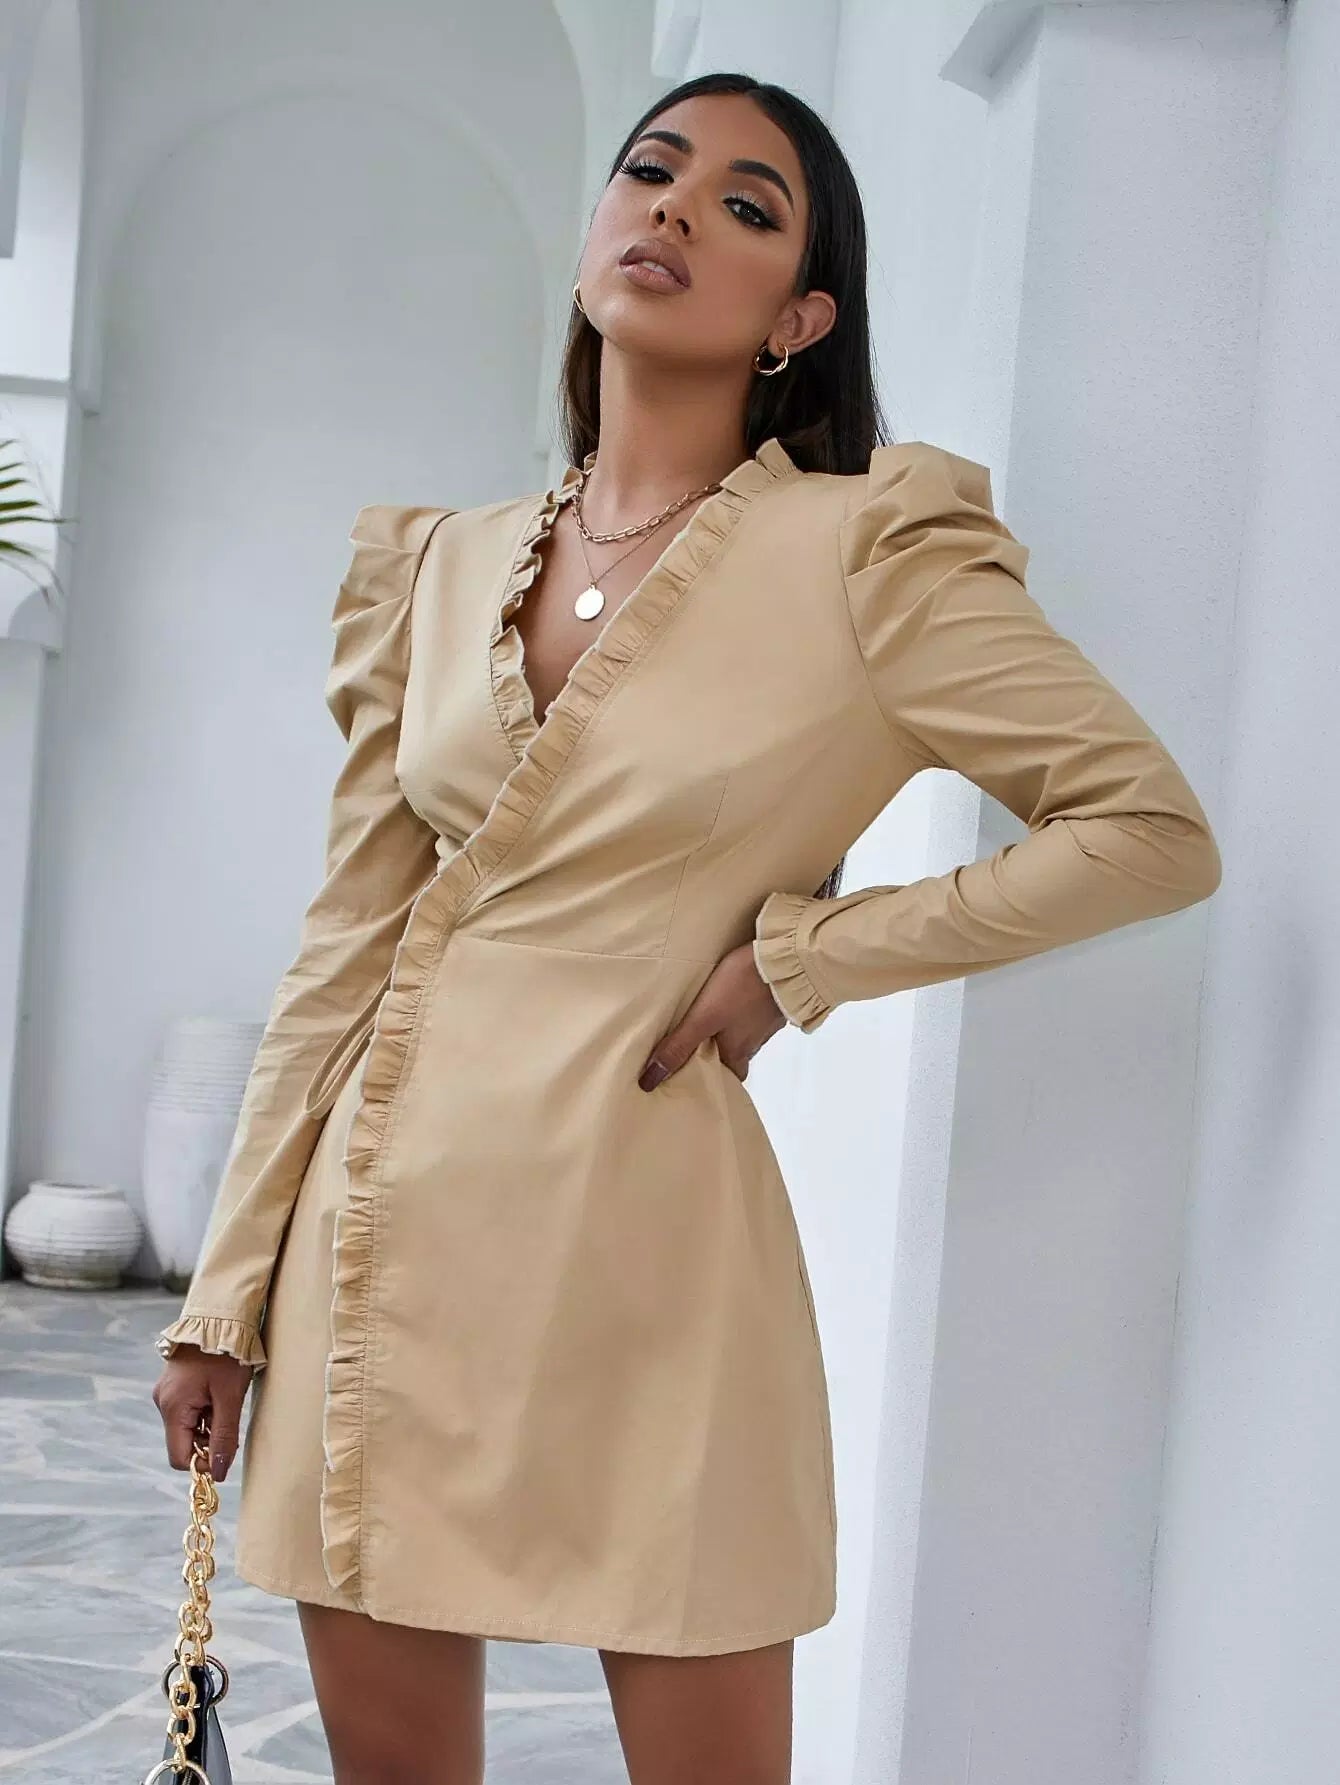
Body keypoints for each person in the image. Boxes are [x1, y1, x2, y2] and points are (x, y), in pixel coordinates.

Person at [150, 70, 1222, 1785]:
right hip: (380, 1247)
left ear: (801, 317)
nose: (672, 208)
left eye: (744, 204)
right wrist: (224, 1295)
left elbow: (1147, 830)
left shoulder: (871, 552)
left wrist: (806, 959)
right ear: (594, 231)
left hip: (649, 1260)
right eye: (650, 172)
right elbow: (347, 942)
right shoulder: (435, 567)